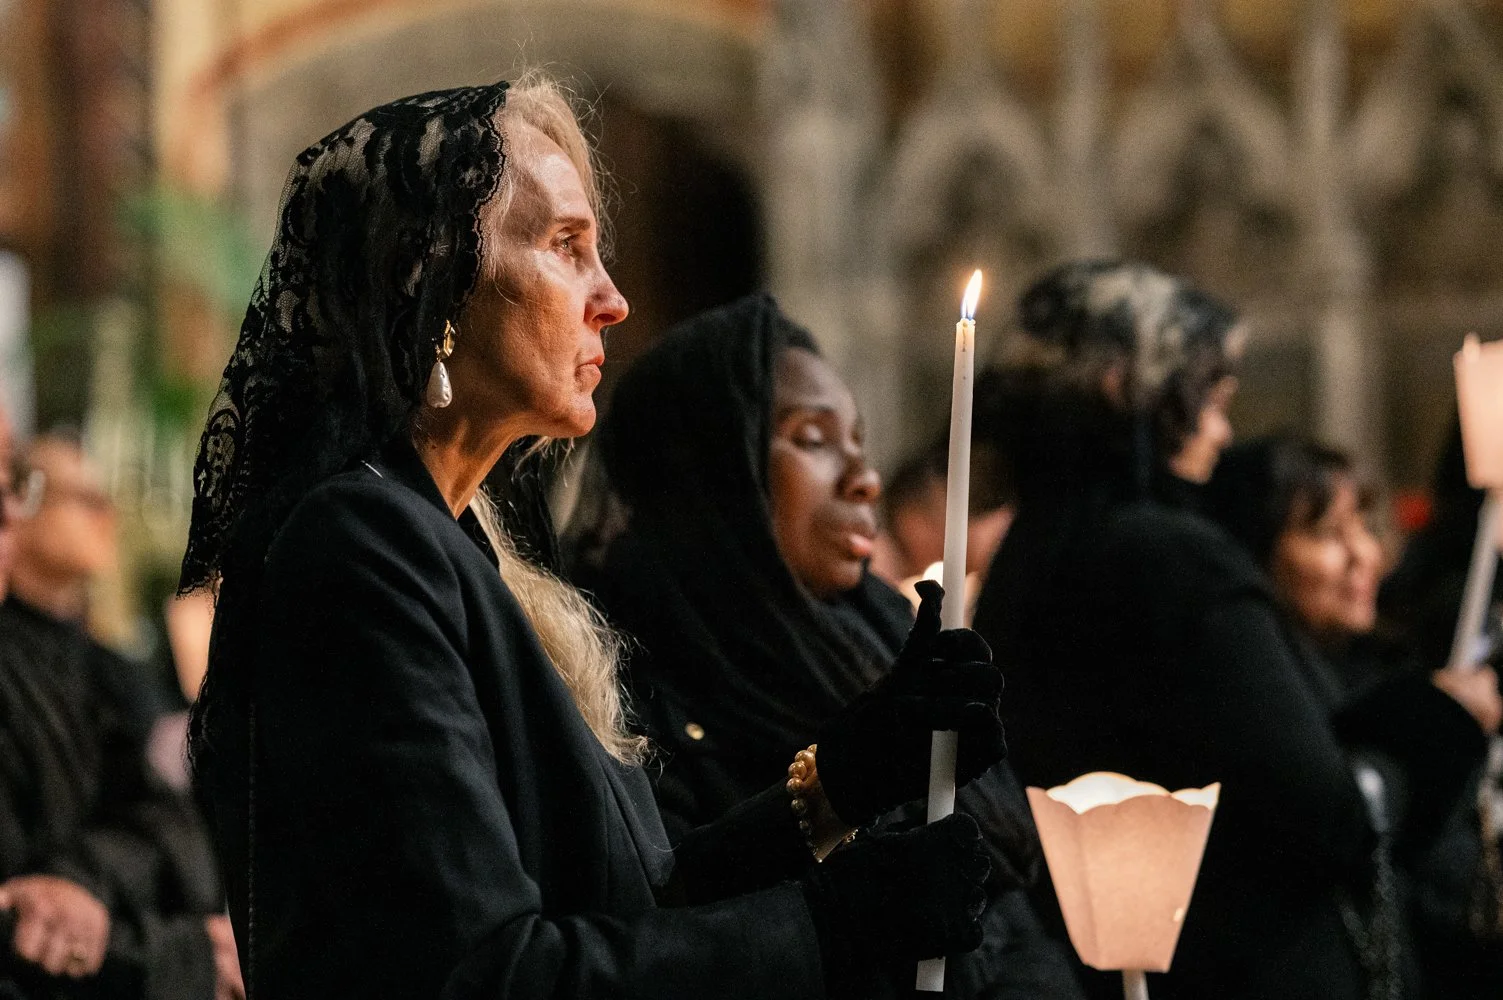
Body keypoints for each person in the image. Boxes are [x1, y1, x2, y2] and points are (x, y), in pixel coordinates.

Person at [181, 76, 1006, 1000]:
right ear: (433, 278)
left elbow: (630, 904)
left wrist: (845, 780)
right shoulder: (362, 547)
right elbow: (484, 975)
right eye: (565, 247)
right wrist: (827, 927)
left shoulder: (451, 539)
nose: (611, 299)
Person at [971, 260, 1491, 1000]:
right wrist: (1432, 731)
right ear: (1131, 389)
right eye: (1210, 398)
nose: (1221, 429)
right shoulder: (1169, 562)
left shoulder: (1030, 553)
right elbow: (1322, 810)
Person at [572, 294, 1083, 999]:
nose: (864, 479)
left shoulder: (880, 632)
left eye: (860, 444)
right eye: (812, 440)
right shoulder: (622, 675)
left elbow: (1006, 916)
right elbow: (659, 928)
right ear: (711, 468)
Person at [1207, 434, 1503, 999]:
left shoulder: (1375, 668)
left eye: (1363, 525)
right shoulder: (1268, 721)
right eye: (1325, 534)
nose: (1364, 555)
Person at [0, 434, 239, 1000]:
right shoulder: (22, 665)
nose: (106, 513)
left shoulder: (105, 665)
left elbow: (162, 814)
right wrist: (178, 956)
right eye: (81, 497)